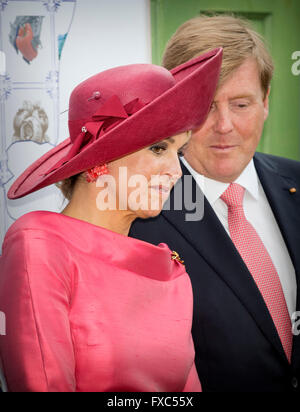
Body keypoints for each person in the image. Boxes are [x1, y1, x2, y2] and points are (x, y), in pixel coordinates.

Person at [0, 49, 222, 392]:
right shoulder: (39, 244)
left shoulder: (169, 270)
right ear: (100, 160)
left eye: (178, 153)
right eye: (159, 148)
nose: (177, 172)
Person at [130, 15, 300, 392]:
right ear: (173, 109)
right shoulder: (137, 215)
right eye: (206, 106)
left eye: (241, 104)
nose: (224, 125)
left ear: (266, 102)